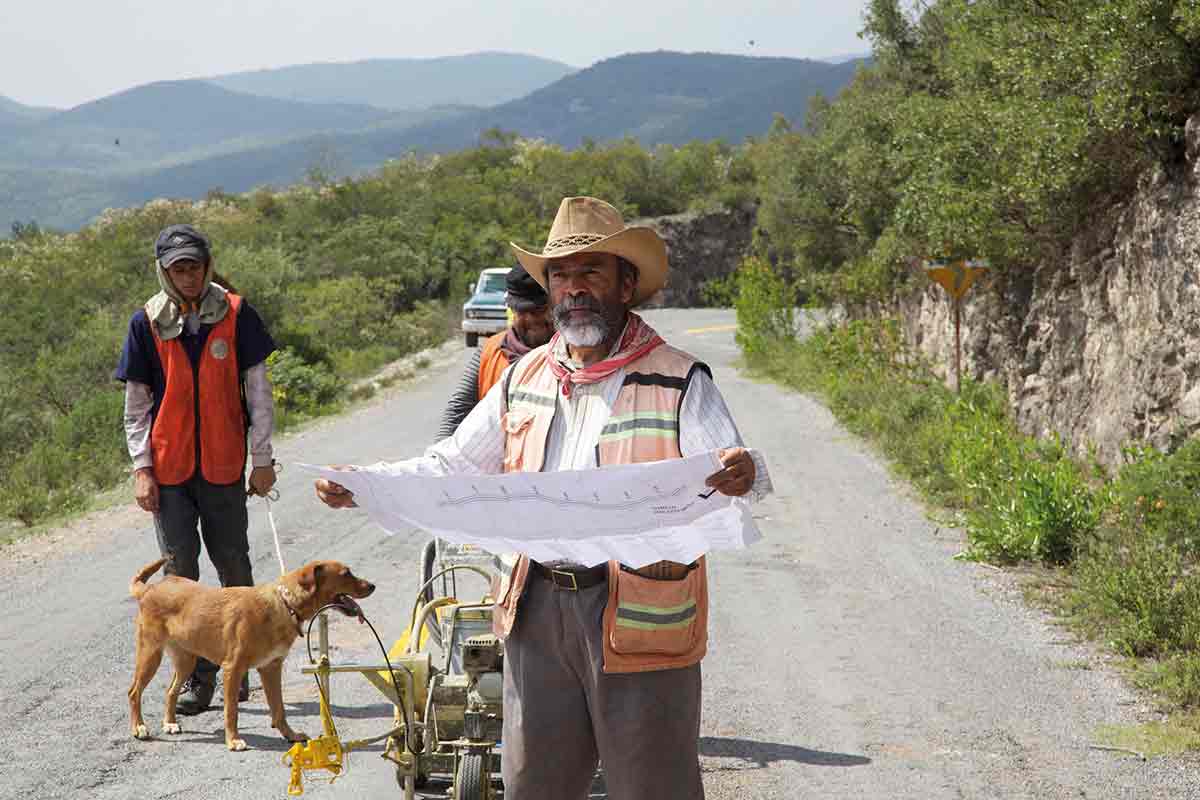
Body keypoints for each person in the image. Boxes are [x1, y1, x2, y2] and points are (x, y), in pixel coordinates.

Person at [316, 197, 771, 799]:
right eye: (560, 275)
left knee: (651, 784)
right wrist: (367, 482)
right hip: (535, 613)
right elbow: (450, 465)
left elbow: (731, 466)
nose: (574, 289)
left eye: (591, 272)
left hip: (640, 614)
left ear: (626, 285)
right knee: (536, 784)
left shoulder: (679, 379)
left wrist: (742, 472)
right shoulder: (522, 376)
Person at [115, 224, 279, 714]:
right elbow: (136, 406)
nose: (187, 276)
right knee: (180, 576)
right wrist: (142, 469)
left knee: (234, 566)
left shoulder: (235, 313)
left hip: (226, 464)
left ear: (207, 266)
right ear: (164, 272)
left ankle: (241, 666)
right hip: (169, 469)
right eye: (177, 268)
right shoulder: (146, 321)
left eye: (194, 266)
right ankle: (199, 680)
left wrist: (263, 459)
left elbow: (258, 393)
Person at [435, 264, 552, 440]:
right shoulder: (491, 350)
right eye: (521, 311)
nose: (530, 319)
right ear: (511, 310)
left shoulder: (575, 354)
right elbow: (458, 411)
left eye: (538, 311)